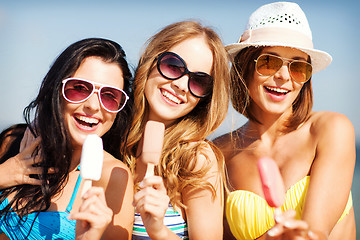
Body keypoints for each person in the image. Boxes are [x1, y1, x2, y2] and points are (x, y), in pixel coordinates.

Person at [214, 2, 356, 240]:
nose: (283, 76)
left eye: (298, 67)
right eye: (269, 62)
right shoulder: (220, 153)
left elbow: (316, 233)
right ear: (245, 67)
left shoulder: (330, 130)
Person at [0, 38, 134, 239]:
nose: (93, 106)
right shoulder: (12, 141)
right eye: (79, 88)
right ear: (56, 89)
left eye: (109, 95)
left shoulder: (114, 176)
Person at [126, 20, 230, 239]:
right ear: (150, 61)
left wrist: (157, 229)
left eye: (199, 81)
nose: (182, 85)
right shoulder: (115, 140)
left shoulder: (196, 159)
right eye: (173, 66)